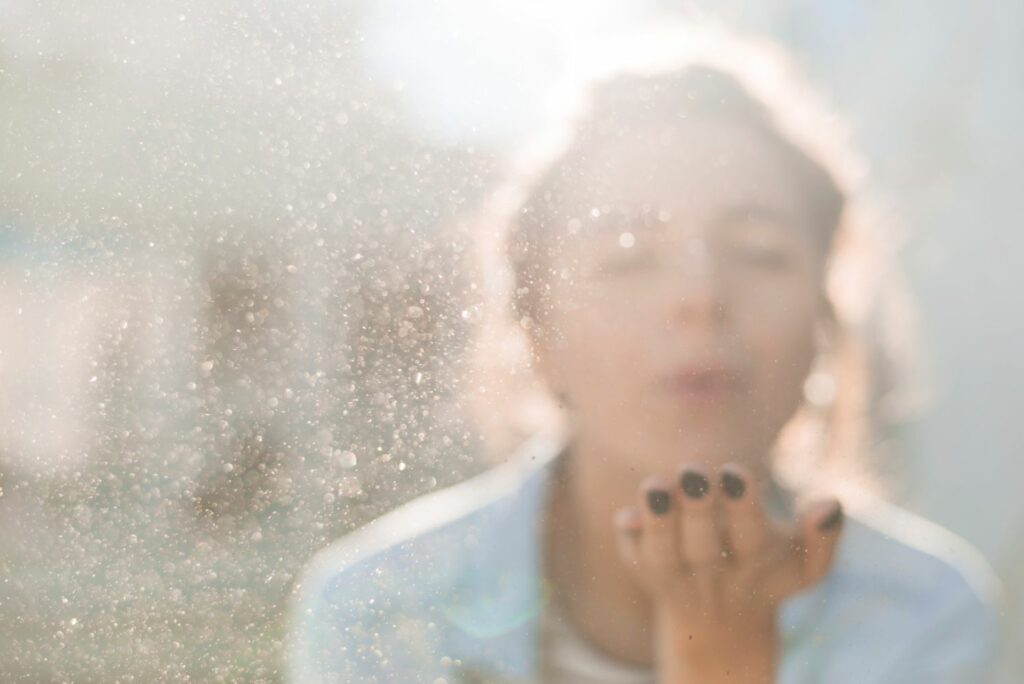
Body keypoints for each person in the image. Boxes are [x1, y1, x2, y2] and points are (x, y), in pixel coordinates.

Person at [287, 25, 1001, 684]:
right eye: (628, 257)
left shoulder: (923, 614)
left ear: (824, 315)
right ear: (537, 329)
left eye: (759, 251)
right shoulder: (381, 609)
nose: (700, 296)